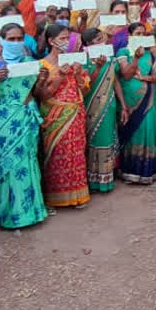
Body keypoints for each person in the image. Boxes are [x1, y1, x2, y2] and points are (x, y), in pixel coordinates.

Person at [0, 23, 49, 228]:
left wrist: (42, 80)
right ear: (1, 40)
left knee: (29, 162)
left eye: (19, 38)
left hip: (27, 115)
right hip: (5, 120)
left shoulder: (30, 61)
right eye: (11, 39)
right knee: (9, 166)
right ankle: (10, 215)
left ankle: (33, 211)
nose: (16, 42)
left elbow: (36, 92)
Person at [36, 24, 91, 209]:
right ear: (51, 41)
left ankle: (78, 195)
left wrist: (77, 76)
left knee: (76, 154)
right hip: (55, 116)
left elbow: (84, 89)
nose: (67, 42)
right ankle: (56, 197)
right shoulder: (43, 65)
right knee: (56, 155)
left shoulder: (75, 61)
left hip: (75, 113)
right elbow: (43, 95)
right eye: (62, 38)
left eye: (68, 38)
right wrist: (59, 76)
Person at [81, 28, 127, 192]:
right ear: (88, 44)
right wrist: (98, 68)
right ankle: (93, 180)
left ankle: (106, 179)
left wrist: (123, 105)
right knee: (93, 140)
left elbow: (115, 82)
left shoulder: (111, 58)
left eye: (102, 38)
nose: (102, 42)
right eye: (97, 40)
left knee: (107, 139)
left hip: (109, 105)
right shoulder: (84, 60)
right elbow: (86, 86)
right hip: (92, 105)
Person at [117, 22, 156, 183]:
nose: (141, 36)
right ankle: (130, 172)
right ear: (130, 36)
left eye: (143, 33)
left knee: (147, 131)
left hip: (148, 101)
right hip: (130, 100)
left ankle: (147, 172)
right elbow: (126, 75)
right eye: (137, 33)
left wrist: (144, 78)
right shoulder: (123, 52)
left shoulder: (150, 54)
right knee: (132, 132)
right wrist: (135, 58)